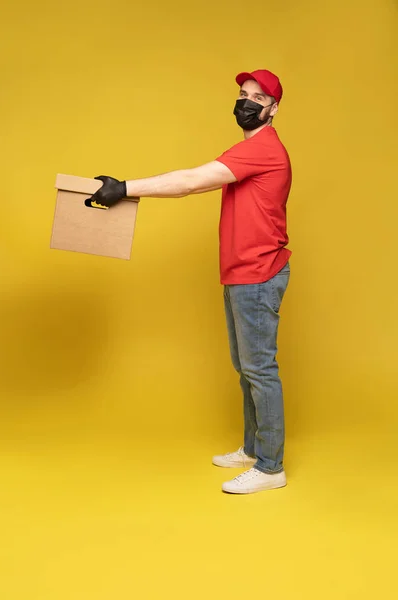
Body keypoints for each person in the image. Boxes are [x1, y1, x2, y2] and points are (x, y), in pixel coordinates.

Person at [88, 69, 292, 495]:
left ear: (273, 108)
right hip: (242, 273)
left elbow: (189, 182)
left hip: (257, 273)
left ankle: (271, 467)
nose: (246, 101)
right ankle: (255, 450)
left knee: (259, 369)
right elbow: (195, 184)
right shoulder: (245, 150)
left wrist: (125, 188)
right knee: (246, 369)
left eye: (257, 97)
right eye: (242, 93)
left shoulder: (264, 150)